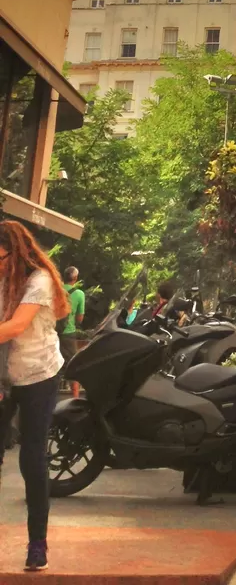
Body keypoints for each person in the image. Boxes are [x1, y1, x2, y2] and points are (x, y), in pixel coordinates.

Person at [0, 219, 73, 572]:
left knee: (32, 460)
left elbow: (15, 326)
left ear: (16, 253)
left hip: (39, 377)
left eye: (0, 259)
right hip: (4, 378)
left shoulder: (39, 280)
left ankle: (37, 544)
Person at [60, 266, 85, 399]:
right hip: (68, 333)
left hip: (52, 332)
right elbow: (80, 319)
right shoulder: (79, 294)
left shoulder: (56, 290)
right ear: (75, 278)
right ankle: (75, 398)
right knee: (72, 365)